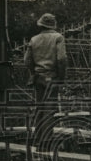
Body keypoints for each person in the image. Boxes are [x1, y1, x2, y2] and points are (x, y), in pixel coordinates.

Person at [25, 13, 68, 145]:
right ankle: (46, 141)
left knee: (40, 108)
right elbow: (61, 59)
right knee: (49, 109)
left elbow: (27, 60)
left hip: (38, 78)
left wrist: (33, 73)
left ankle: (38, 138)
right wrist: (61, 78)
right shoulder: (58, 38)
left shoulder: (34, 39)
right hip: (52, 77)